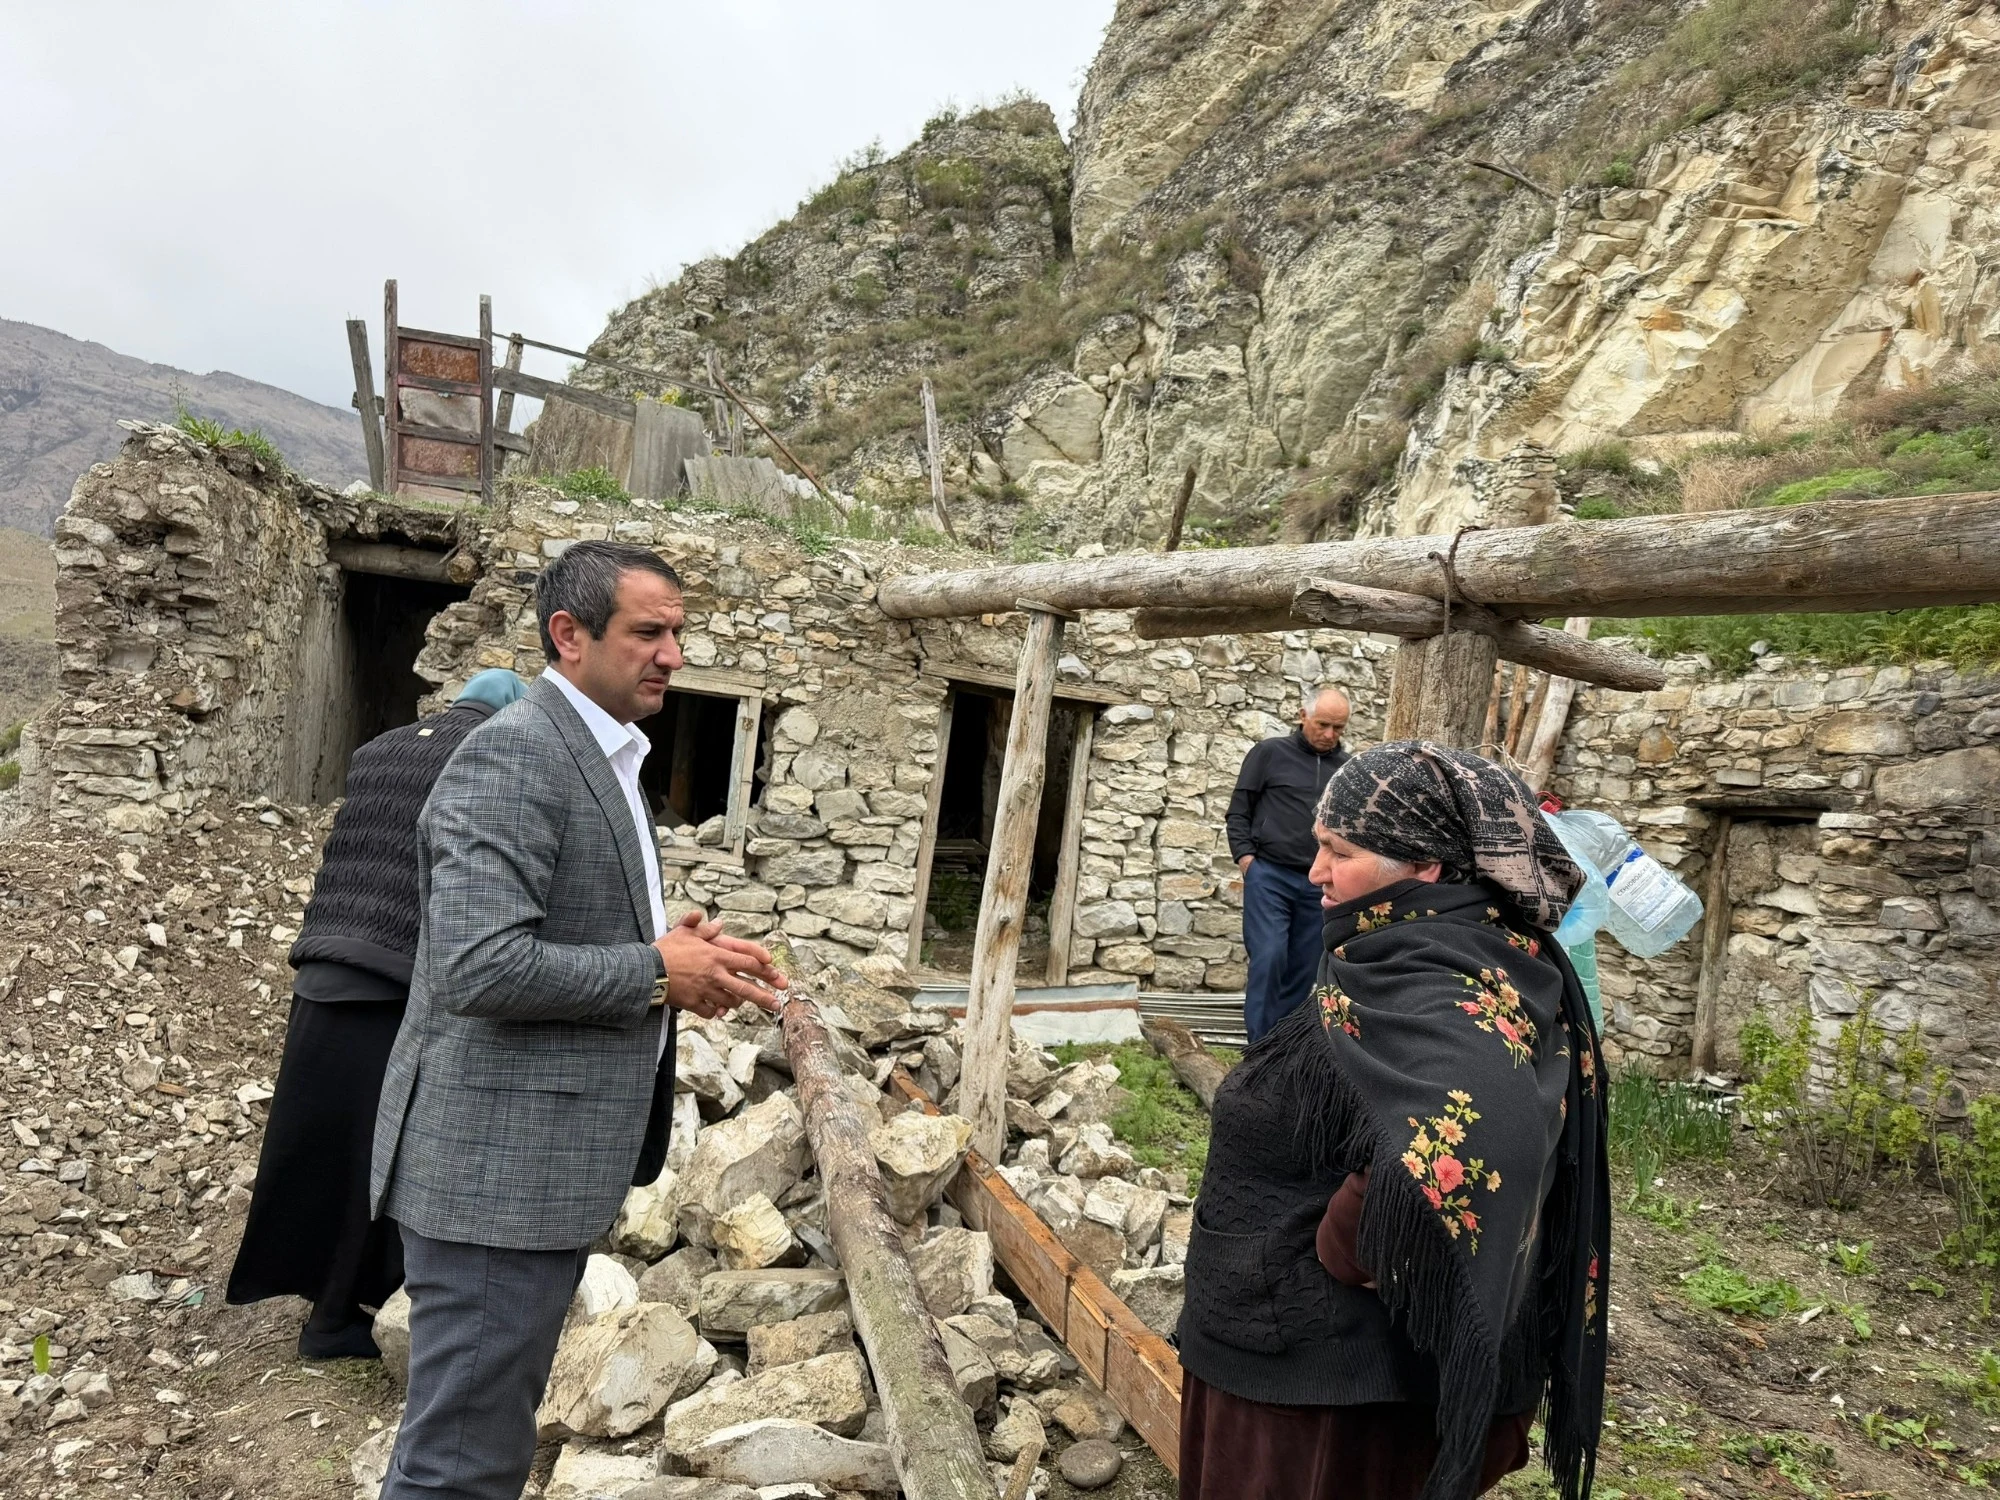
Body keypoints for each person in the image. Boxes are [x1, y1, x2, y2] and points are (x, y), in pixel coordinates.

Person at [370, 541, 789, 1500]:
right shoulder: (516, 757)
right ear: (570, 635)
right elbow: (480, 964)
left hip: (531, 1166)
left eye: (678, 632)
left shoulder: (596, 750)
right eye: (649, 632)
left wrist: (673, 946)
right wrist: (653, 970)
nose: (673, 654)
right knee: (460, 1464)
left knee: (481, 1444)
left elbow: (560, 924)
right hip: (494, 1173)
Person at [1178, 742, 1610, 1500]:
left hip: (1334, 1405)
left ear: (1427, 868)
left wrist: (1357, 1242)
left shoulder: (1439, 975)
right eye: (1316, 845)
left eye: (1339, 852)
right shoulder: (1414, 949)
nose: (1315, 872)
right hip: (1297, 1369)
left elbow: (1488, 1124)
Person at [225, 668, 528, 1360]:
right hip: (391, 983)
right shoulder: (486, 755)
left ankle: (315, 1294)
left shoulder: (379, 749)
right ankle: (334, 1321)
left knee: (313, 1147)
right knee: (375, 1159)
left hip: (325, 969)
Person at [1227, 687, 1352, 1041]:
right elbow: (1238, 812)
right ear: (1303, 716)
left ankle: (1281, 1050)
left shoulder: (1345, 770)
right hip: (1269, 875)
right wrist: (1246, 859)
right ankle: (1258, 1049)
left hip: (1319, 884)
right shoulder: (1269, 753)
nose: (1330, 735)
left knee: (1304, 969)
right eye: (1323, 724)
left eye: (1339, 728)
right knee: (1269, 958)